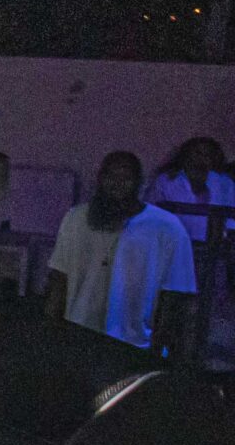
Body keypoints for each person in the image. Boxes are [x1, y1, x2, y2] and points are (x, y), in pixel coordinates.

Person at [49, 149, 197, 352]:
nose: (117, 184)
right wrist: (51, 332)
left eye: (126, 178)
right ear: (100, 179)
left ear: (139, 183)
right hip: (78, 336)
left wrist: (159, 350)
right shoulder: (76, 218)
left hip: (135, 344)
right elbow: (59, 277)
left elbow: (176, 294)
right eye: (111, 176)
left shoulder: (167, 228)